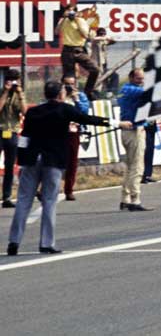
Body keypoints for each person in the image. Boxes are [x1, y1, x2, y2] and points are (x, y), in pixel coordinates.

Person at [8, 81, 111, 255]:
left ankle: (14, 242)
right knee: (49, 201)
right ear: (60, 94)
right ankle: (46, 243)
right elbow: (87, 119)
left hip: (32, 159)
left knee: (23, 200)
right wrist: (114, 122)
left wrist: (22, 160)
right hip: (53, 160)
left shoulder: (33, 111)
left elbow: (24, 136)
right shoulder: (64, 109)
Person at [117, 69, 155, 211]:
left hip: (128, 130)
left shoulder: (125, 89)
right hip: (134, 131)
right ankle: (135, 199)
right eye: (139, 78)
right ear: (131, 77)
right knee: (137, 167)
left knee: (129, 166)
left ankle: (125, 198)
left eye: (143, 78)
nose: (142, 81)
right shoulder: (132, 90)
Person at [57, 4, 100, 100]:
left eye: (72, 11)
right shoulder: (63, 21)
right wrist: (63, 18)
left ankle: (88, 91)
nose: (70, 13)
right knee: (68, 76)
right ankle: (65, 95)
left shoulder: (81, 21)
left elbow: (86, 35)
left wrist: (76, 20)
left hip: (78, 49)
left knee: (95, 69)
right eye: (68, 11)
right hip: (67, 49)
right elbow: (56, 32)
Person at [60, 75, 90, 200]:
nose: (69, 87)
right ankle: (44, 187)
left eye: (72, 84)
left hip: (73, 130)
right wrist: (61, 97)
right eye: (67, 84)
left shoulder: (80, 96)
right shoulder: (57, 94)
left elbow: (84, 112)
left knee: (72, 162)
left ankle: (69, 190)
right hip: (58, 131)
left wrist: (76, 99)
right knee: (53, 161)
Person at [1, 70, 27, 208]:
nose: (13, 83)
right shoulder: (1, 92)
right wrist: (5, 92)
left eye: (16, 80)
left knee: (10, 167)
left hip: (12, 132)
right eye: (11, 80)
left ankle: (7, 197)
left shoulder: (19, 95)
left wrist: (20, 94)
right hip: (0, 130)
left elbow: (25, 112)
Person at [141, 120, 157, 184]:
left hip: (152, 127)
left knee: (150, 152)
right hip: (144, 128)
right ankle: (143, 175)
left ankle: (148, 175)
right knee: (145, 152)